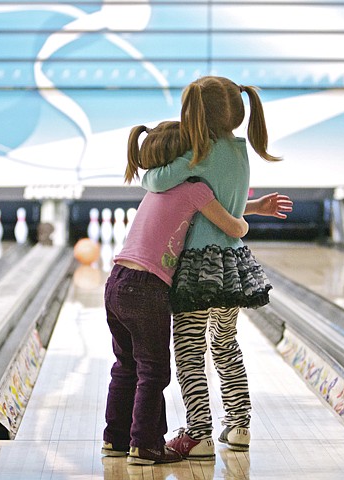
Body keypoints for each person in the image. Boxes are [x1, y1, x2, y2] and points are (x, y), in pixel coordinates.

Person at [139, 76, 292, 460]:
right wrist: (255, 209)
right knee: (225, 344)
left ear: (193, 116)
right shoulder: (240, 151)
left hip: (196, 268)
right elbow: (228, 208)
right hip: (233, 264)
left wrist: (146, 170)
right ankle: (239, 425)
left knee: (189, 348)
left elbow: (154, 181)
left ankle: (199, 432)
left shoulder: (197, 152)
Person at [102, 120, 250, 466]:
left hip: (117, 281)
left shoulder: (155, 188)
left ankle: (115, 439)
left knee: (124, 365)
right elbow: (231, 224)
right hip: (148, 288)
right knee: (154, 371)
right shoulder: (194, 188)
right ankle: (145, 445)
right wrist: (244, 222)